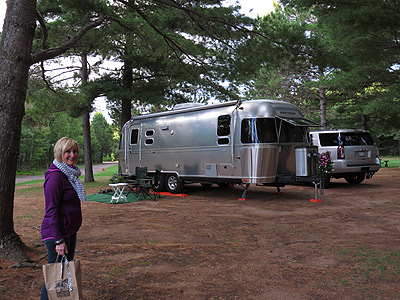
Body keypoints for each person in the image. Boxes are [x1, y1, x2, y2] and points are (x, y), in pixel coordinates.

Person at [40, 137, 86, 300]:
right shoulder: (55, 177)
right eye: (68, 151)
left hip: (69, 231)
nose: (72, 155)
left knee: (63, 275)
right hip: (57, 235)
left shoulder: (69, 174)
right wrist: (59, 241)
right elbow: (51, 210)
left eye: (75, 151)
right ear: (60, 153)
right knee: (54, 277)